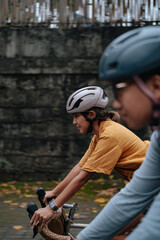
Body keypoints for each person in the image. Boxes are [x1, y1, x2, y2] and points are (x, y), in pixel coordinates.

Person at [76, 26, 160, 240]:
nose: (115, 103)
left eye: (120, 88)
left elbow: (153, 228)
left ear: (156, 85)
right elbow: (133, 196)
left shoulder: (111, 133)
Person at [30, 86, 149, 230]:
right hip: (143, 191)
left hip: (151, 193)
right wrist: (55, 192)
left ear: (91, 114)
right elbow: (80, 167)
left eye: (76, 116)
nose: (74, 122)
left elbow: (83, 178)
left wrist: (52, 208)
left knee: (106, 232)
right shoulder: (100, 135)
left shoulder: (110, 135)